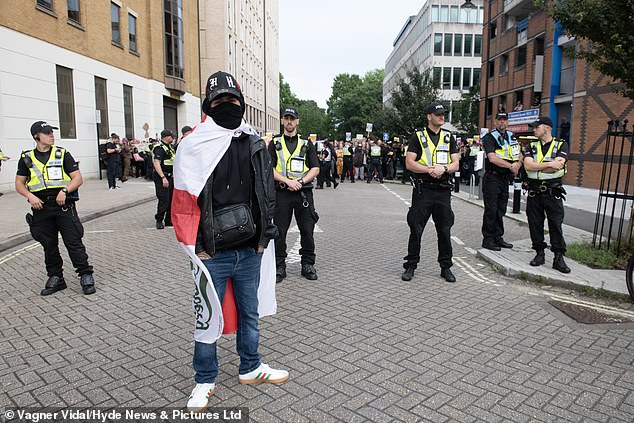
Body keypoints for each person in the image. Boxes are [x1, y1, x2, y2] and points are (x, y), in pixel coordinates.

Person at [173, 71, 287, 411]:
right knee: (206, 320)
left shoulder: (253, 141)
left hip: (250, 249)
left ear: (241, 104)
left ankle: (250, 367)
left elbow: (266, 192)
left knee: (250, 313)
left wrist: (265, 238)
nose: (228, 105)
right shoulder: (193, 144)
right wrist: (198, 247)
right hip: (213, 253)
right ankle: (204, 379)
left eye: (232, 100)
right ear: (209, 106)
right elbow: (181, 201)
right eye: (220, 100)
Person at [15, 121, 96, 296]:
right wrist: (30, 196)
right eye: (48, 133)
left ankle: (85, 274)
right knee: (48, 244)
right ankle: (56, 278)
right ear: (37, 136)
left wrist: (65, 190)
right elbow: (19, 184)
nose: (52, 135)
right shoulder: (26, 158)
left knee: (73, 242)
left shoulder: (62, 154)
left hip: (63, 205)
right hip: (41, 207)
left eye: (52, 132)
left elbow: (77, 178)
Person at [402, 102, 460, 283]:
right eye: (438, 114)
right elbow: (410, 163)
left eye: (443, 114)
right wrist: (429, 170)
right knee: (416, 229)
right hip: (423, 190)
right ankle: (410, 265)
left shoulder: (449, 137)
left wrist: (443, 169)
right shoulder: (418, 137)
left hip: (442, 190)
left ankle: (446, 267)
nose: (442, 117)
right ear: (429, 116)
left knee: (444, 230)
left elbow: (455, 163)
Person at [269, 108, 320, 283]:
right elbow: (269, 169)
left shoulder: (306, 143)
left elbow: (315, 167)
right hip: (282, 192)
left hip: (303, 194)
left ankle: (307, 264)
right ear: (282, 121)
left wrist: (302, 182)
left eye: (292, 119)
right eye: (287, 118)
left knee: (307, 230)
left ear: (297, 121)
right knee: (280, 231)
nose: (289, 122)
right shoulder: (274, 142)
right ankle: (279, 266)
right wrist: (288, 181)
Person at [523, 117, 571, 273]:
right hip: (534, 192)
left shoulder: (561, 144)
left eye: (537, 127)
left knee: (555, 224)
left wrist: (538, 167)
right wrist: (549, 164)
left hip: (552, 191)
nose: (534, 130)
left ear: (547, 128)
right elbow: (528, 166)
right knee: (535, 223)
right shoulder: (530, 145)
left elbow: (559, 166)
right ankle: (539, 253)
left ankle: (558, 257)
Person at [481, 112, 522, 251]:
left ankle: (498, 238)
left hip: (505, 179)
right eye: (500, 120)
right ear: (495, 121)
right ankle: (488, 239)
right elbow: (492, 158)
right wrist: (511, 166)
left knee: (501, 210)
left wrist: (518, 164)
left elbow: (518, 154)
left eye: (504, 120)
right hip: (492, 178)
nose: (502, 122)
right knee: (491, 210)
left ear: (508, 122)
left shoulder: (511, 136)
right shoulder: (489, 138)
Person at [152, 129, 176, 229]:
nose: (173, 138)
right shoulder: (159, 148)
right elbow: (156, 163)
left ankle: (168, 220)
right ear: (166, 137)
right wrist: (163, 177)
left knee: (171, 200)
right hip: (162, 177)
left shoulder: (169, 147)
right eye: (171, 136)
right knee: (164, 200)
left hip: (170, 176)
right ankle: (159, 220)